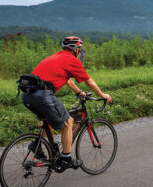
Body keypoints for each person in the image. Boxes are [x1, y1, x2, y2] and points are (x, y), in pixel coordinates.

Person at [22, 36, 112, 171]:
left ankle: (37, 145)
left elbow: (67, 80)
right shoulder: (72, 61)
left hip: (27, 95)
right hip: (43, 95)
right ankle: (66, 158)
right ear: (76, 49)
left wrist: (79, 92)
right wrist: (103, 95)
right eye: (79, 49)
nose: (80, 52)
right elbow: (89, 81)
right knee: (68, 122)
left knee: (48, 119)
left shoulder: (56, 57)